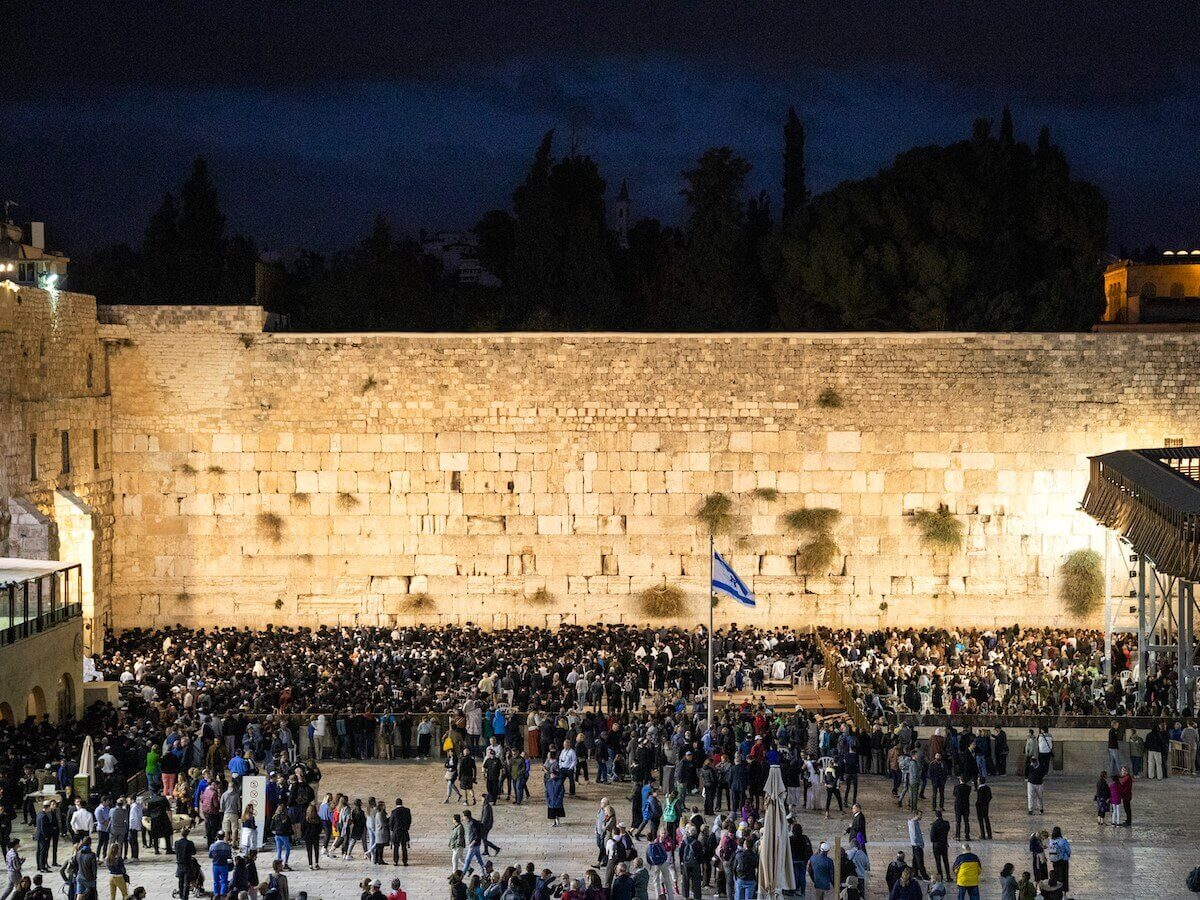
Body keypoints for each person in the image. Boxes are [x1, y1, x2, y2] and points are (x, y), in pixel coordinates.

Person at [173, 828, 197, 900]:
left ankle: (180, 894)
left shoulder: (177, 843)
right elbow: (194, 852)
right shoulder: (190, 843)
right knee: (187, 881)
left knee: (180, 880)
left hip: (179, 864)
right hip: (187, 864)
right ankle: (185, 897)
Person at [1046, 827, 1070, 896]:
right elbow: (1068, 851)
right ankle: (1064, 892)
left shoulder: (1051, 840)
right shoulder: (1063, 840)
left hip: (1055, 861)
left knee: (1056, 875)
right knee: (1064, 876)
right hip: (1063, 861)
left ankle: (1056, 890)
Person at [210, 831, 234, 898]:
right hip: (224, 865)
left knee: (216, 881)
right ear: (224, 837)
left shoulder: (212, 846)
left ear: (217, 836)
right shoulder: (227, 846)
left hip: (216, 866)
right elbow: (229, 857)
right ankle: (222, 895)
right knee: (224, 881)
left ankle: (216, 894)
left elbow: (210, 856)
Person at [929, 811, 951, 883]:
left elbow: (932, 837)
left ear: (936, 816)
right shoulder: (946, 823)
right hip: (944, 844)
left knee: (938, 861)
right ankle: (948, 876)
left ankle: (940, 877)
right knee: (946, 861)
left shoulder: (934, 825)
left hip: (936, 845)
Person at [389, 798, 411, 866]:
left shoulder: (394, 811)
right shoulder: (407, 810)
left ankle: (396, 861)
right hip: (404, 831)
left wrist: (392, 829)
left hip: (396, 831)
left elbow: (391, 822)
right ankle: (405, 861)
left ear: (396, 804)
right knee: (404, 847)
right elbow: (409, 821)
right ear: (402, 803)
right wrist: (407, 828)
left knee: (396, 847)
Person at [907, 811, 929, 881]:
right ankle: (924, 875)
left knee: (915, 860)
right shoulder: (913, 823)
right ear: (916, 815)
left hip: (916, 845)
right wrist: (919, 844)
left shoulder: (915, 823)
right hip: (917, 845)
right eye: (920, 815)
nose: (921, 817)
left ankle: (915, 873)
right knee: (920, 861)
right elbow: (914, 836)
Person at [952, 777, 971, 841]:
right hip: (966, 805)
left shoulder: (956, 787)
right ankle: (967, 836)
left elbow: (954, 794)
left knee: (958, 821)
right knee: (966, 821)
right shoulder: (968, 787)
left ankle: (958, 835)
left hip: (958, 805)